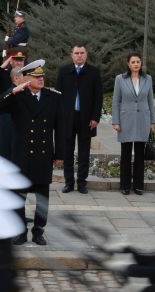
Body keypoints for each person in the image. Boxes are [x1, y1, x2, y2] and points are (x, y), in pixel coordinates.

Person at [0, 60, 63, 245]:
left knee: (42, 197)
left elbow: (61, 128)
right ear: (26, 78)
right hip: (21, 154)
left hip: (43, 155)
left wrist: (60, 154)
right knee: (18, 196)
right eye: (36, 77)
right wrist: (12, 91)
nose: (41, 80)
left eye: (42, 77)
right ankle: (20, 230)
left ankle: (38, 230)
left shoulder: (53, 97)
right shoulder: (17, 96)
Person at [57, 44, 102, 194]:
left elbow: (98, 97)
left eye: (82, 53)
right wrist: (59, 117)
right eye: (76, 53)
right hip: (68, 118)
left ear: (86, 54)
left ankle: (82, 182)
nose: (79, 55)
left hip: (86, 119)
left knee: (84, 153)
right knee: (67, 152)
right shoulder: (64, 72)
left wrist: (95, 117)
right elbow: (58, 96)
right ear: (72, 55)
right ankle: (69, 182)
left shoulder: (94, 72)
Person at [111, 52, 155, 196]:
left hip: (143, 119)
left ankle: (138, 185)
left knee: (140, 155)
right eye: (133, 62)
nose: (136, 64)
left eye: (138, 62)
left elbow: (150, 101)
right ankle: (124, 185)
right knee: (126, 154)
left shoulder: (147, 79)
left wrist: (152, 121)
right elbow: (116, 101)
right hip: (125, 120)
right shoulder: (120, 79)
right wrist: (116, 121)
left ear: (141, 63)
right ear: (128, 64)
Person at [0, 49, 27, 160]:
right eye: (16, 60)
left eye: (21, 60)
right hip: (6, 116)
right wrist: (2, 66)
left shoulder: (26, 74)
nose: (19, 63)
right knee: (5, 151)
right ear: (10, 61)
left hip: (22, 115)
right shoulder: (3, 74)